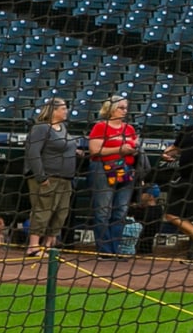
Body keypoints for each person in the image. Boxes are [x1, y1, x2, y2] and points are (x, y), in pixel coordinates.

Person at [23, 98, 80, 258]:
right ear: (53, 110)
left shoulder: (62, 127)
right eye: (63, 108)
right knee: (42, 210)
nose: (66, 111)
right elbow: (33, 153)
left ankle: (48, 246)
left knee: (61, 212)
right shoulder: (41, 128)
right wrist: (41, 177)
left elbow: (62, 146)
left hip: (65, 179)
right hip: (48, 178)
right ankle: (33, 246)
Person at [88, 94, 141, 256]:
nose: (125, 111)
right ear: (111, 109)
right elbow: (95, 150)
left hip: (124, 168)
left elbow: (133, 147)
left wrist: (133, 148)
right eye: (121, 107)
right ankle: (104, 250)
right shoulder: (100, 127)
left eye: (126, 108)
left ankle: (115, 249)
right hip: (103, 168)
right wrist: (120, 149)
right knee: (103, 211)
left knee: (120, 211)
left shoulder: (129, 128)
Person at [159, 102, 193, 259]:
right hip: (184, 177)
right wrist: (166, 154)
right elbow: (176, 148)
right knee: (171, 214)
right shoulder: (188, 130)